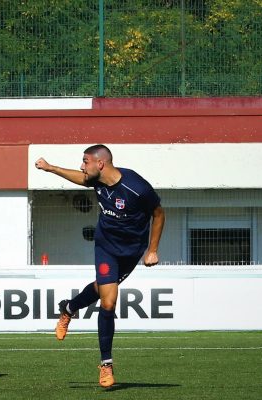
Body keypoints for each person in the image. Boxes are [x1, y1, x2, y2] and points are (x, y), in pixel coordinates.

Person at [35, 144, 165, 388]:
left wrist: (153, 249)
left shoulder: (137, 188)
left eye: (85, 161)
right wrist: (51, 168)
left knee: (102, 288)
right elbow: (80, 178)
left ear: (100, 163)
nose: (82, 166)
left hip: (131, 252)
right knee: (108, 301)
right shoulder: (96, 180)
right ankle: (106, 365)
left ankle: (69, 307)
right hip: (106, 247)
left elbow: (159, 214)